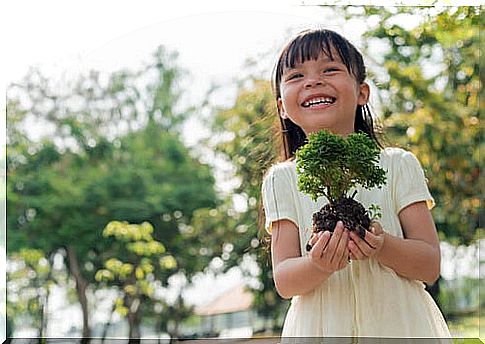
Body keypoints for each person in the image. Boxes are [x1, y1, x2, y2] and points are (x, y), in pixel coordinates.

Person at [261, 28, 451, 341]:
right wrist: (317, 264)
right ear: (283, 106)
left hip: (399, 327)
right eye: (296, 75)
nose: (313, 81)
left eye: (330, 69)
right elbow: (284, 280)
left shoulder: (397, 165)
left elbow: (429, 265)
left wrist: (383, 245)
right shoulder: (281, 179)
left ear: (362, 92)